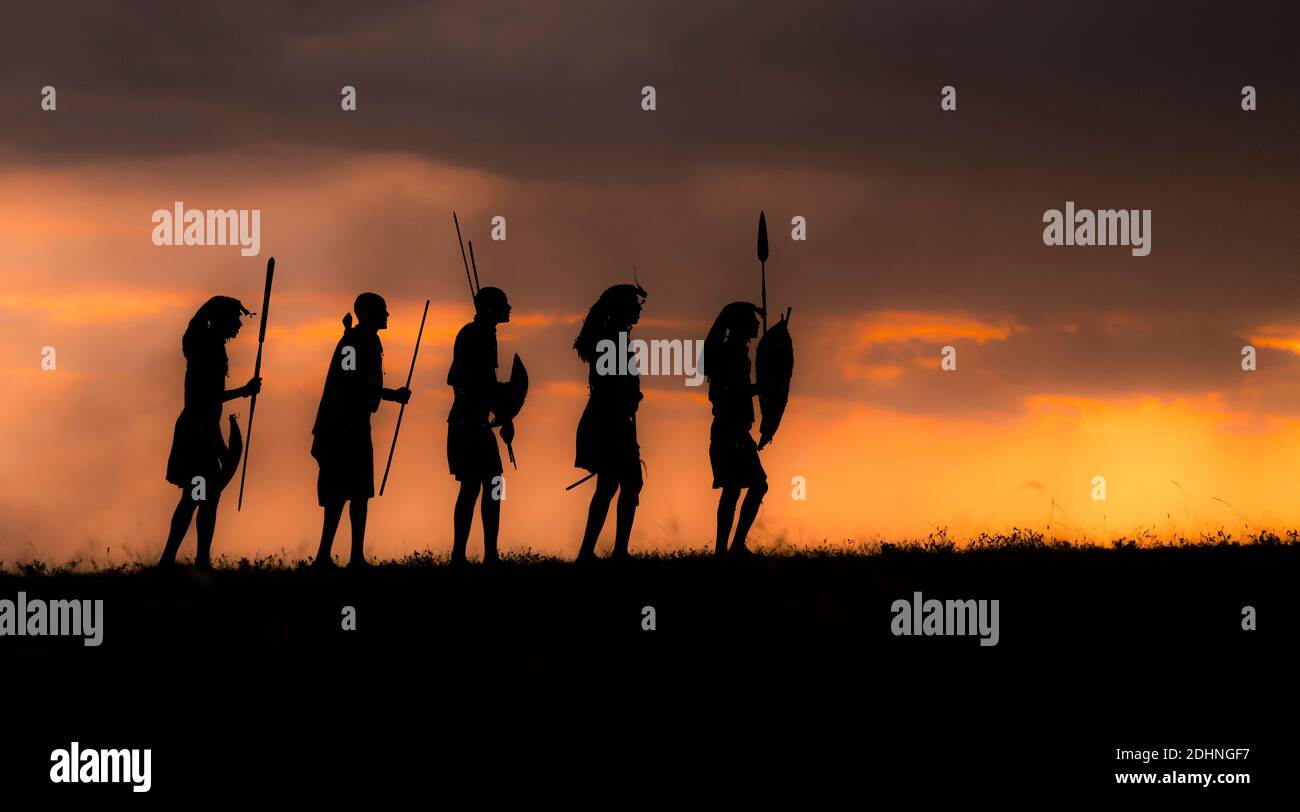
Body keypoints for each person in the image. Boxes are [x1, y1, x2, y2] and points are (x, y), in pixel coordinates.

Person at [159, 296, 262, 569]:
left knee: (198, 497)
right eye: (235, 318)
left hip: (200, 427)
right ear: (221, 320)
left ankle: (178, 559)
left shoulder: (208, 344)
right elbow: (208, 396)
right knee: (201, 497)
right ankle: (189, 561)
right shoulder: (208, 347)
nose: (240, 323)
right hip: (198, 429)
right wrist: (244, 391)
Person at [311, 292, 410, 569]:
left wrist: (390, 395)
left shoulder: (364, 341)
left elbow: (361, 385)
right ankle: (324, 557)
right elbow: (350, 384)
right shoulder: (354, 343)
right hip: (342, 428)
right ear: (368, 314)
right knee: (340, 494)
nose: (388, 315)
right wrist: (391, 395)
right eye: (383, 310)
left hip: (353, 425)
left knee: (358, 492)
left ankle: (354, 557)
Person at [573, 282, 647, 562]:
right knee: (626, 484)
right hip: (610, 420)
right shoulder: (612, 339)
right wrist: (628, 395)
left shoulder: (614, 337)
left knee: (613, 486)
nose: (638, 311)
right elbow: (609, 382)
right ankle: (614, 552)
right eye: (634, 307)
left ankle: (597, 552)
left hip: (609, 418)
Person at [446, 286, 514, 566]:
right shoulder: (474, 335)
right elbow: (459, 380)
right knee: (475, 485)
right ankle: (465, 555)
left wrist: (501, 413)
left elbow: (486, 383)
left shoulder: (485, 334)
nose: (509, 308)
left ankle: (486, 554)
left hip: (475, 422)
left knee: (487, 484)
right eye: (503, 304)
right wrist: (488, 410)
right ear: (490, 309)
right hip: (468, 423)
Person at [703, 302, 769, 557]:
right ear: (740, 325)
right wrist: (760, 388)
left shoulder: (736, 352)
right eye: (752, 320)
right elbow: (729, 392)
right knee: (751, 486)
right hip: (729, 429)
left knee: (734, 489)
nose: (757, 324)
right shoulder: (730, 353)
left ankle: (726, 549)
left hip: (732, 429)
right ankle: (731, 547)